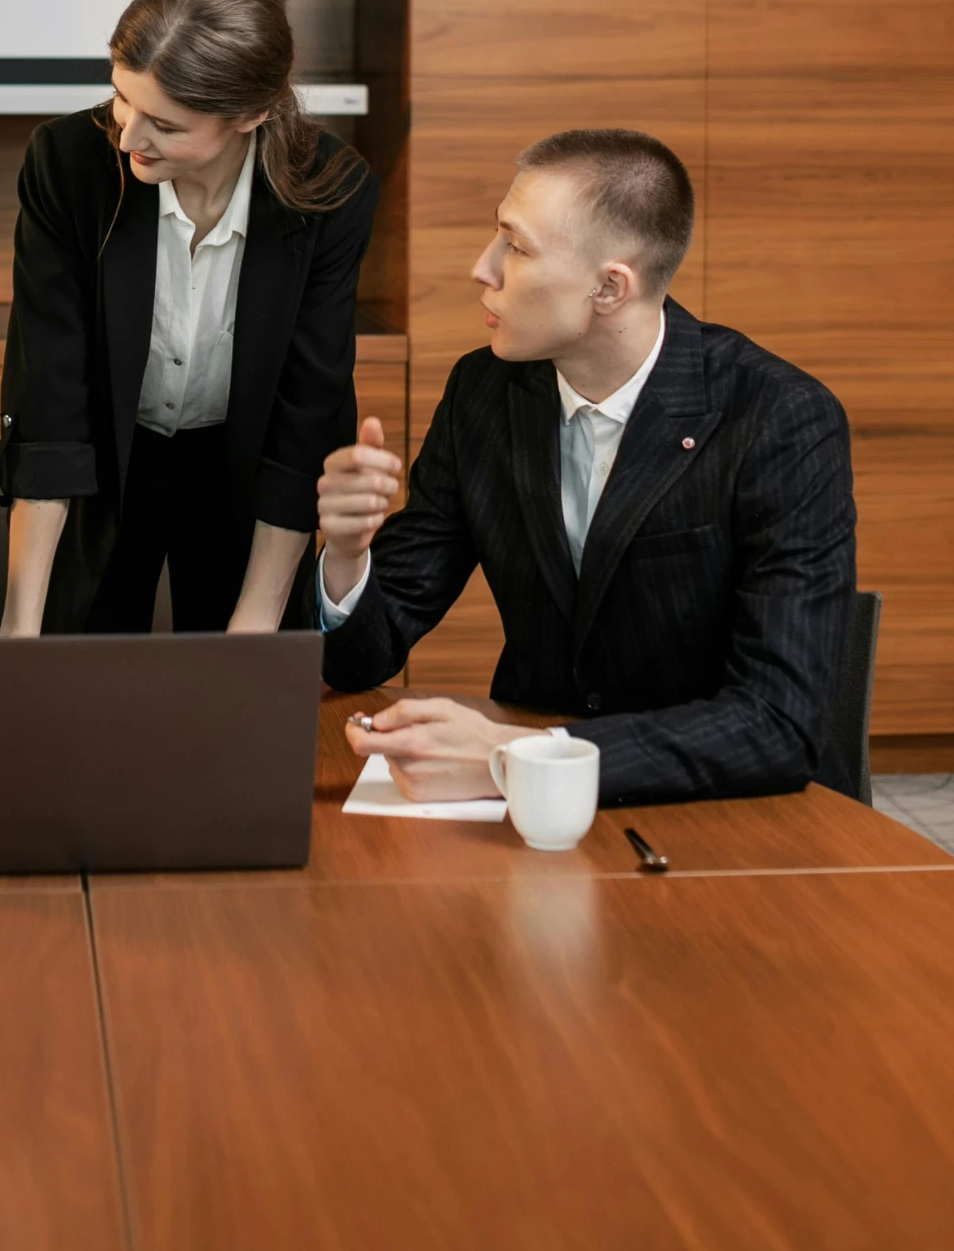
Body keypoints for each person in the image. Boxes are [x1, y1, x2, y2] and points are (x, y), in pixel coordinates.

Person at [316, 129, 857, 806]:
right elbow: (364, 655)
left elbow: (777, 724)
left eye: (514, 247)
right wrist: (345, 555)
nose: (481, 269)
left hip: (727, 811)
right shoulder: (484, 392)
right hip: (531, 816)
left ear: (609, 287)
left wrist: (518, 757)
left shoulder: (778, 416)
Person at [0, 0, 377, 636]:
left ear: (251, 114)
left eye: (165, 125)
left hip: (243, 471)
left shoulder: (330, 191)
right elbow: (48, 398)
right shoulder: (68, 162)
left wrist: (254, 621)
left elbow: (307, 412)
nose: (129, 136)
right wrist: (16, 633)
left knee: (243, 696)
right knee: (68, 679)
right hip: (108, 464)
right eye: (121, 99)